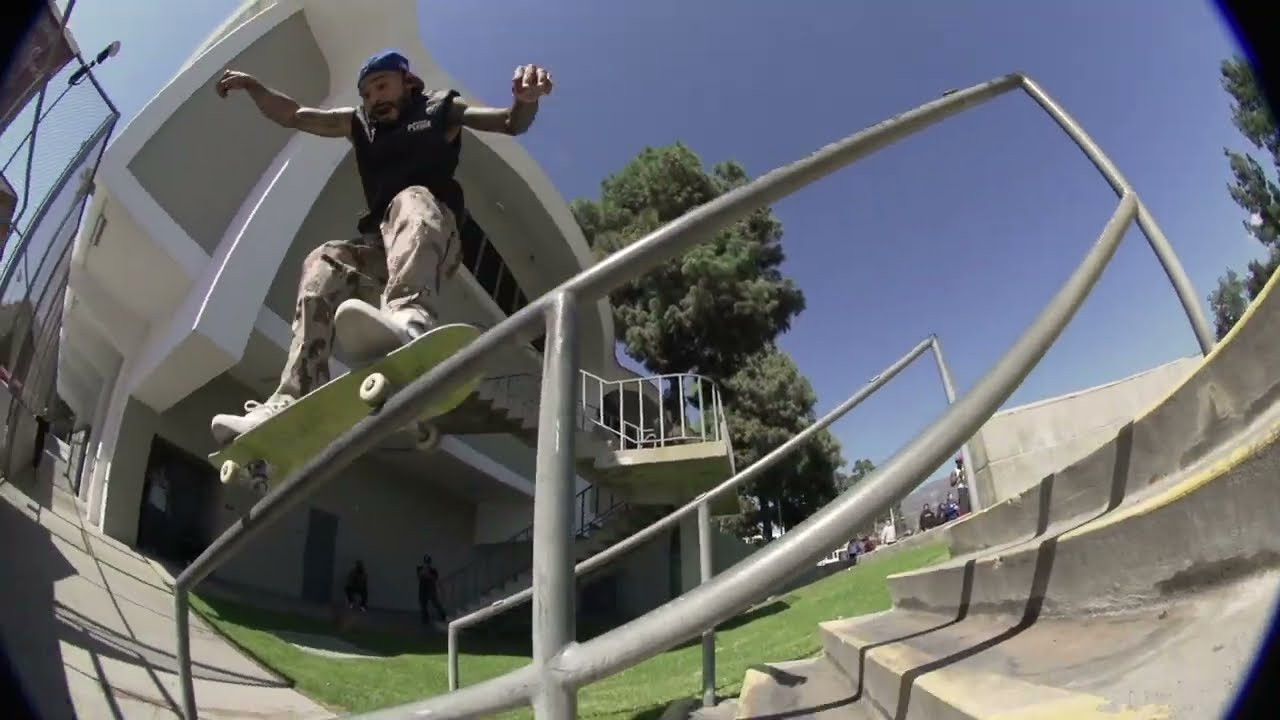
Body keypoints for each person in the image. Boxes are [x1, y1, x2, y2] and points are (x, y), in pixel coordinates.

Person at [208, 51, 554, 443]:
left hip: (436, 238)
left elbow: (509, 123)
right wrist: (254, 87)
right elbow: (296, 115)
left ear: (408, 83)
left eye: (382, 85)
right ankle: (293, 394)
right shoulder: (358, 124)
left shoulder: (441, 108)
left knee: (411, 198)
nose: (375, 98)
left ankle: (410, 318)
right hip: (382, 250)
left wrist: (525, 102)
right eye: (368, 92)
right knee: (324, 260)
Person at [416, 554, 446, 624]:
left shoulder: (433, 570)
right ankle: (425, 619)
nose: (427, 563)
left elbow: (434, 578)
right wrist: (425, 573)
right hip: (422, 589)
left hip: (431, 589)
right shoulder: (419, 568)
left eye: (428, 562)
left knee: (435, 603)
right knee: (423, 604)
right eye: (426, 561)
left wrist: (427, 574)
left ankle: (443, 615)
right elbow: (419, 576)